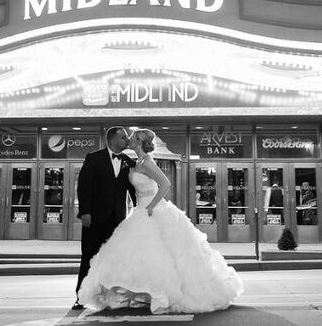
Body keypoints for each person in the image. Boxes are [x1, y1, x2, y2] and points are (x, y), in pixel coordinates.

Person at [78, 128, 243, 314]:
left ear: (140, 142)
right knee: (137, 255)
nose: (129, 139)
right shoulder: (133, 162)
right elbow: (126, 189)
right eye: (126, 137)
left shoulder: (147, 162)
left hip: (151, 210)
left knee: (160, 255)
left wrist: (151, 206)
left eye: (132, 137)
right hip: (138, 211)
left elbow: (165, 184)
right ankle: (138, 294)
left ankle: (162, 293)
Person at [73, 126, 137, 310]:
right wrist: (85, 212)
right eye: (124, 137)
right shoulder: (94, 158)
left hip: (118, 220)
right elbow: (84, 187)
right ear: (113, 139)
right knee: (89, 257)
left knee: (115, 259)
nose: (127, 140)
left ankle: (112, 297)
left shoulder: (128, 162)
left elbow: (133, 190)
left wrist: (141, 211)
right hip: (93, 219)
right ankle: (80, 297)